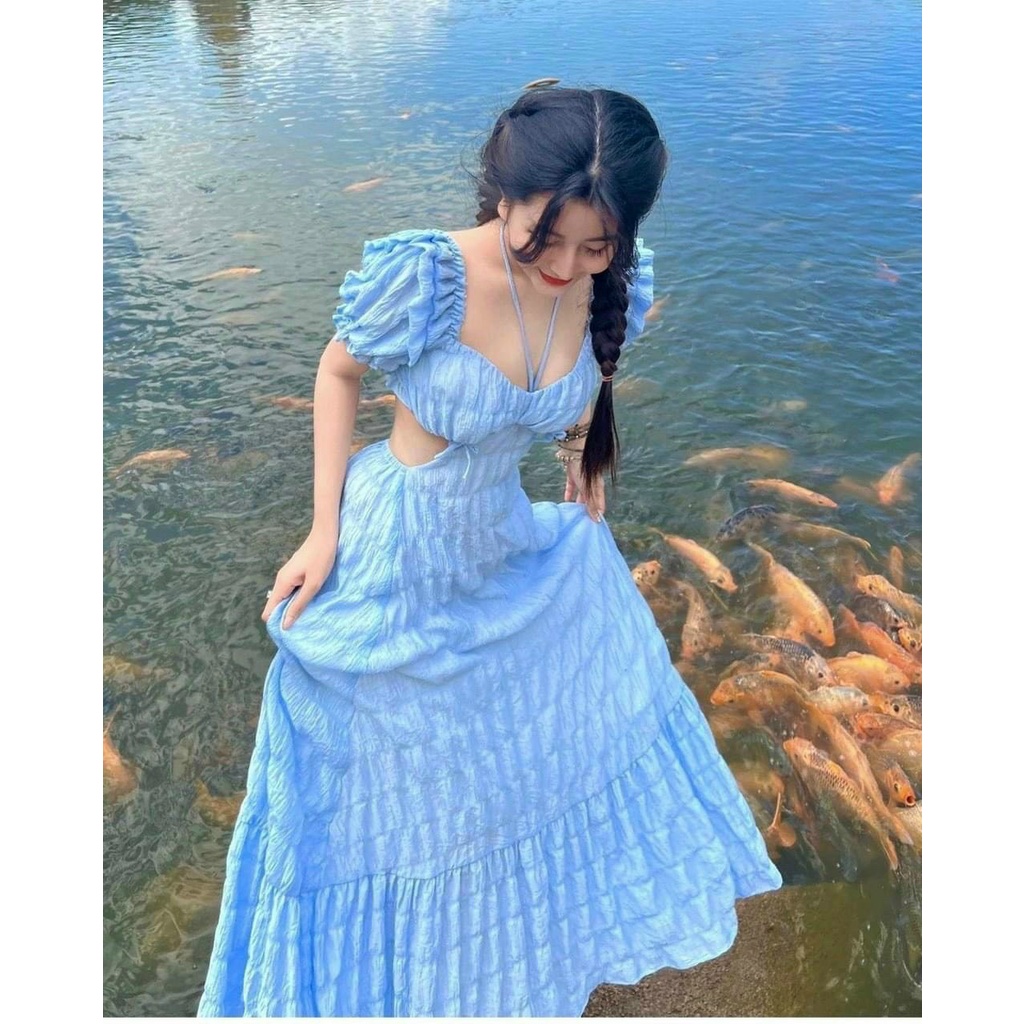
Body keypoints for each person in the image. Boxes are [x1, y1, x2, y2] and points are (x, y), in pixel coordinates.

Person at [197, 86, 782, 1019]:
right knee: (400, 785)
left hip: (502, 541)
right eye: (546, 239)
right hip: (398, 553)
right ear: (502, 194)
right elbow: (337, 371)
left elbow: (584, 383)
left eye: (595, 246)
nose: (567, 265)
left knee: (530, 744)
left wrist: (581, 467)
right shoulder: (429, 277)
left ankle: (519, 951)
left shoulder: (609, 281)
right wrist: (322, 529)